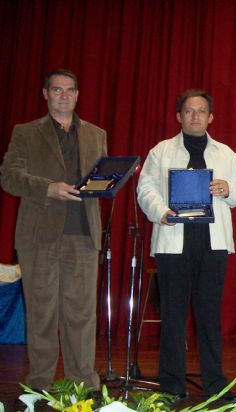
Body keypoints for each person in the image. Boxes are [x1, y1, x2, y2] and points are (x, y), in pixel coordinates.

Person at [0, 69, 107, 391]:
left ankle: (83, 383)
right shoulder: (26, 132)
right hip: (39, 238)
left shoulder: (96, 134)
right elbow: (9, 176)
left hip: (84, 236)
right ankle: (39, 383)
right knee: (42, 313)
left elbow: (99, 179)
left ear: (77, 94)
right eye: (57, 90)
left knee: (82, 315)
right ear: (45, 94)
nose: (64, 96)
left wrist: (111, 180)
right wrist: (48, 188)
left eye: (70, 90)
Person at [137, 89, 236, 402]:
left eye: (201, 111)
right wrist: (161, 212)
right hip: (174, 241)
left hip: (213, 244)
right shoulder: (161, 151)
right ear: (179, 117)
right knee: (172, 314)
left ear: (211, 117)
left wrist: (226, 189)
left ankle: (215, 384)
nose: (195, 116)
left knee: (209, 316)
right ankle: (171, 384)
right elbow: (146, 189)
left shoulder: (226, 153)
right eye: (189, 111)